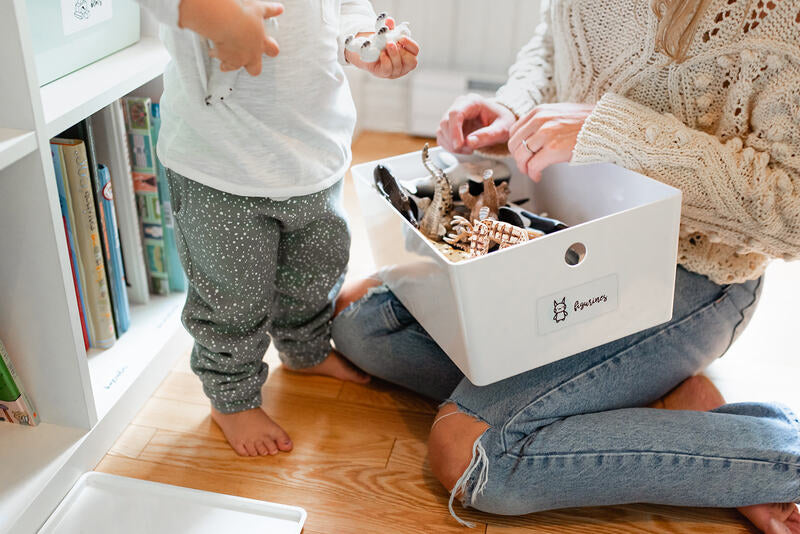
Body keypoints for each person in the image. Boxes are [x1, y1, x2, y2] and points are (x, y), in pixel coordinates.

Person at [331, 0, 800, 531]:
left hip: (688, 273)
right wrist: (516, 110)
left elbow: (789, 210)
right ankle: (649, 390)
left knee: (472, 455)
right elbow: (555, 39)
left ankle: (775, 455)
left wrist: (617, 138)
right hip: (571, 237)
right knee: (360, 322)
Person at [136, 0, 419, 457]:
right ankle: (230, 398)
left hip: (315, 149)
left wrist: (362, 40)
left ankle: (304, 349)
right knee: (233, 297)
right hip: (220, 164)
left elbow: (343, 8)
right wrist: (218, 17)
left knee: (315, 270)